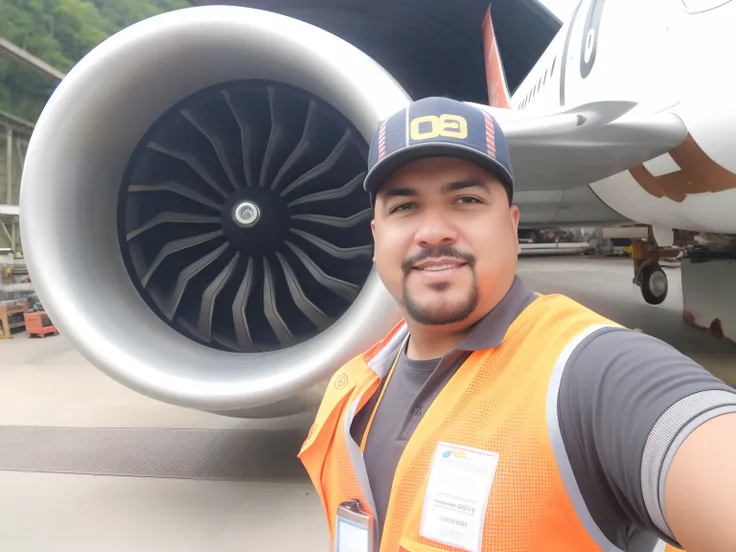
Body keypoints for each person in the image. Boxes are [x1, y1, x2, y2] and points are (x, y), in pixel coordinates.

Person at [297, 97, 736, 552]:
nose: (432, 231)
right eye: (404, 207)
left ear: (512, 227)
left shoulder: (587, 375)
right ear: (376, 237)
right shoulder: (353, 388)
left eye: (465, 200)